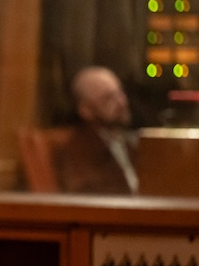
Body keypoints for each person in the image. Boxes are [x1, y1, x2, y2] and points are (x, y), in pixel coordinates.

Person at [54, 65, 138, 194]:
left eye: (120, 93)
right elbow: (86, 196)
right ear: (85, 110)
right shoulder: (79, 149)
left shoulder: (126, 142)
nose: (122, 103)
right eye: (108, 98)